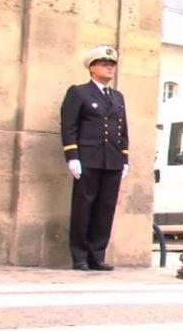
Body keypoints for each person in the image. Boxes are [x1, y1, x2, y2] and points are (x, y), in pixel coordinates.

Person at [60, 46, 129, 271]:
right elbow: (69, 126)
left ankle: (97, 255)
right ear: (92, 67)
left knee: (105, 209)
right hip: (88, 158)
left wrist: (125, 158)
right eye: (104, 63)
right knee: (83, 207)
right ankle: (79, 256)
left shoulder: (117, 97)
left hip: (112, 160)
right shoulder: (79, 92)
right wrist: (72, 157)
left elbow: (123, 130)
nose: (110, 67)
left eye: (112, 64)